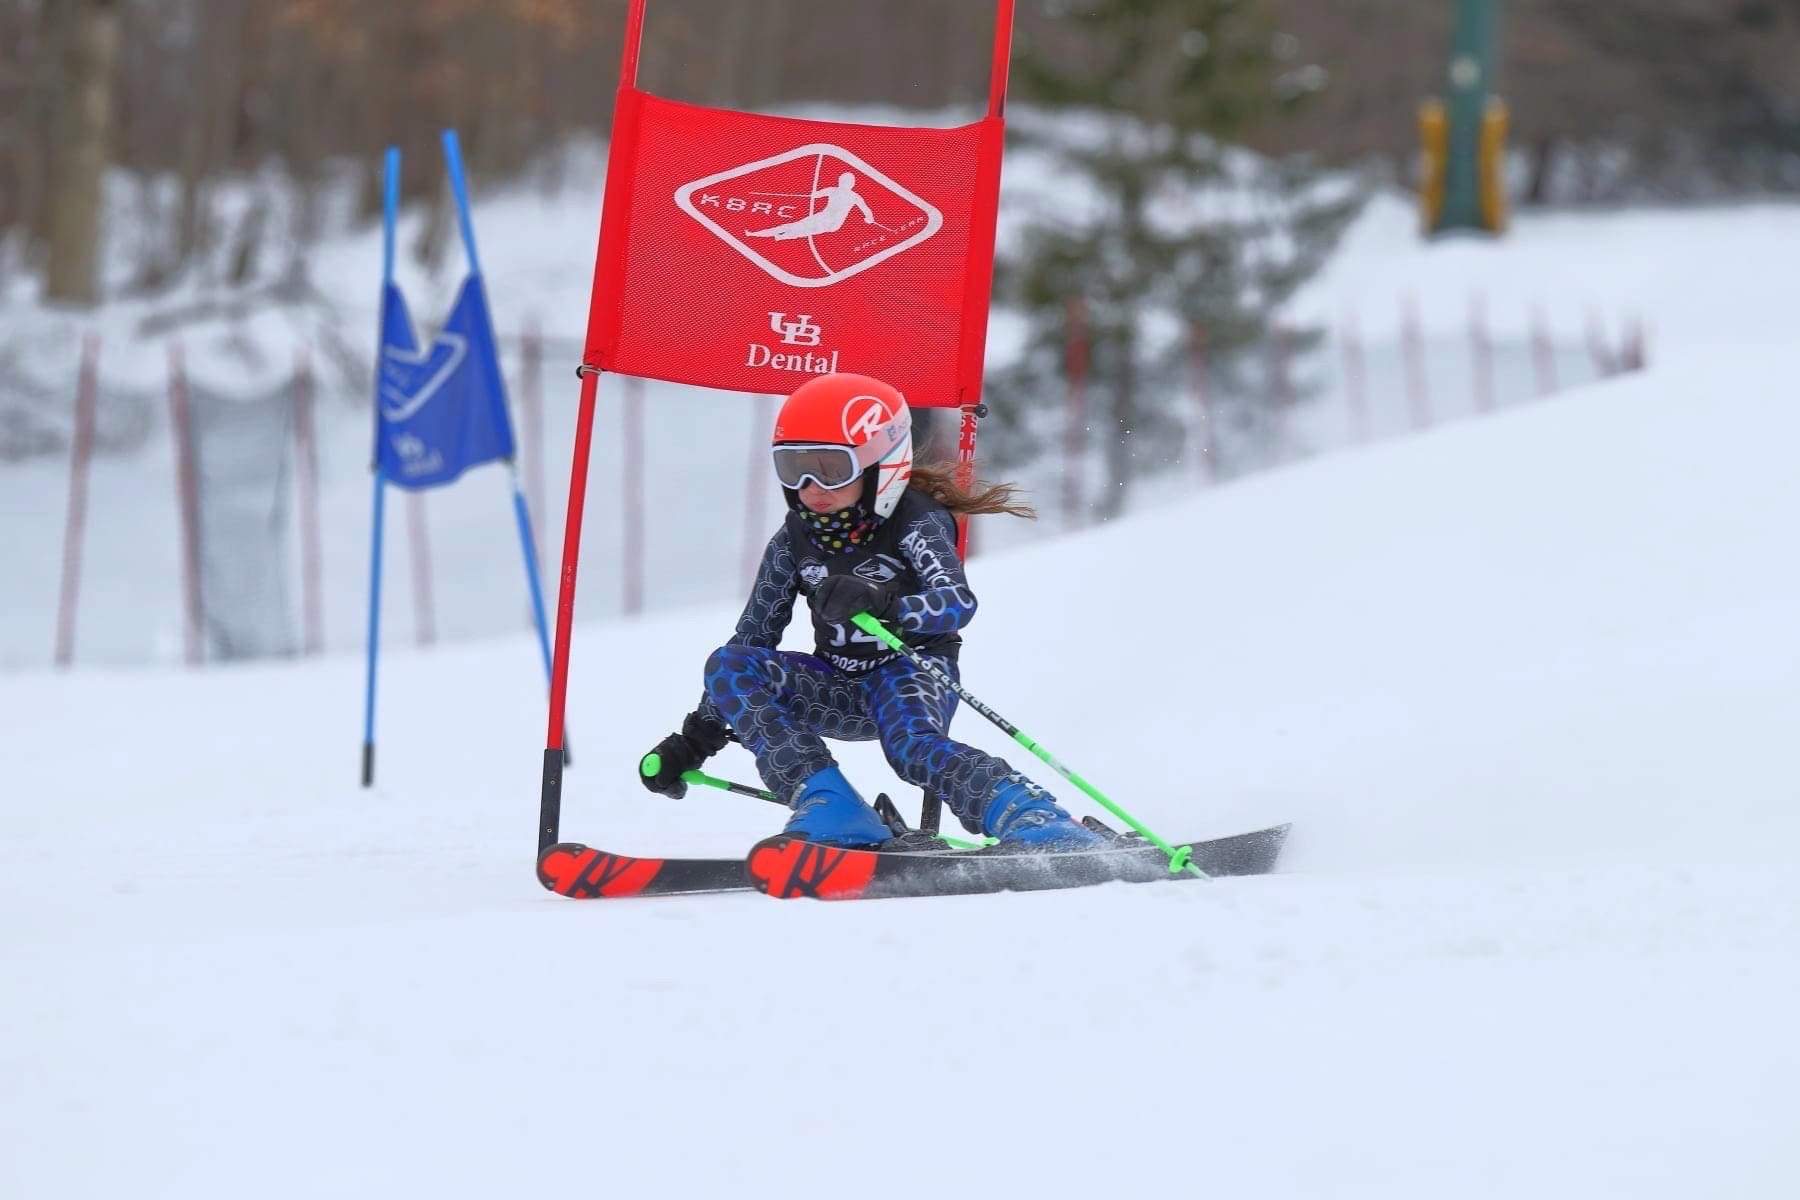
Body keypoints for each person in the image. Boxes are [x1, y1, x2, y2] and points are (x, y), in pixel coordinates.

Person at [639, 372, 1105, 851]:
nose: (810, 487)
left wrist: (885, 603)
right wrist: (697, 739)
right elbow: (752, 640)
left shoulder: (914, 520)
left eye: (830, 468)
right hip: (837, 686)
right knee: (729, 663)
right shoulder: (794, 541)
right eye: (793, 467)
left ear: (882, 466)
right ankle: (830, 805)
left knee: (912, 749)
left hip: (909, 671)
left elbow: (956, 604)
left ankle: (1031, 814)